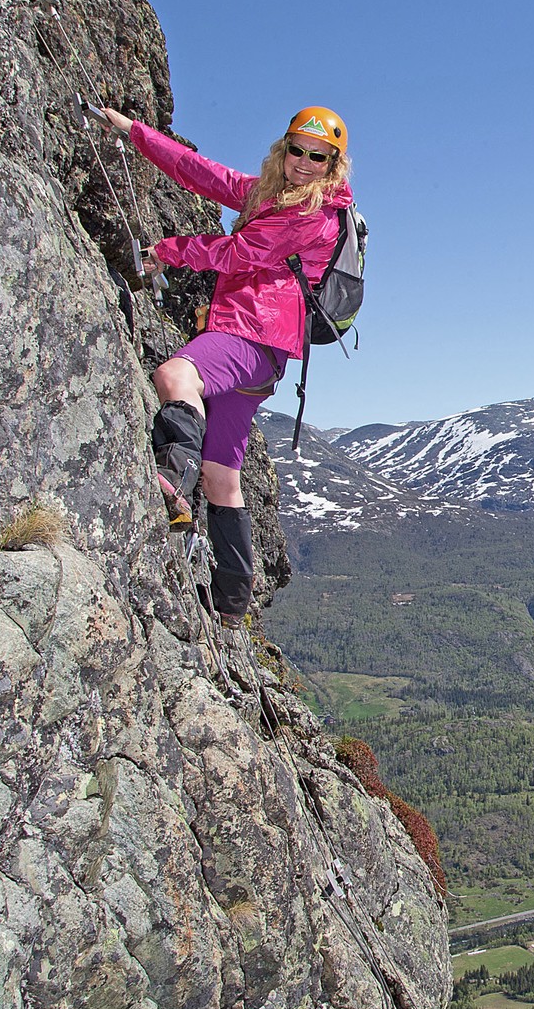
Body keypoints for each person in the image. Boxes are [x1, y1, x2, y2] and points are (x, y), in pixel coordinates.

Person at [98, 104, 354, 622]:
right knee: (222, 476)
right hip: (262, 350)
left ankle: (170, 479)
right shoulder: (269, 193)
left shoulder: (313, 216)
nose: (304, 163)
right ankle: (233, 601)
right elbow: (202, 173)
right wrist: (134, 133)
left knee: (174, 376)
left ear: (333, 166)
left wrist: (167, 250)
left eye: (318, 157)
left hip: (253, 335)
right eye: (298, 151)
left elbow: (239, 254)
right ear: (285, 149)